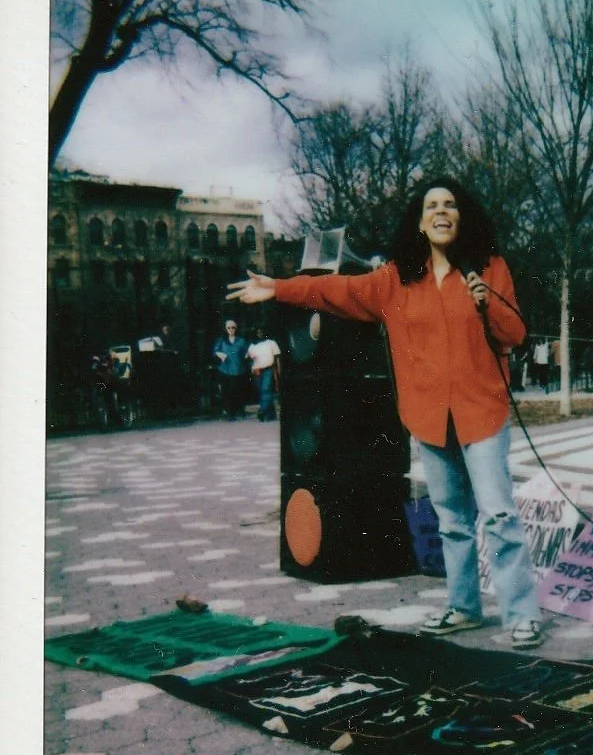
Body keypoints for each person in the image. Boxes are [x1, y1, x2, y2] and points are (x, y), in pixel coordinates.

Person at [228, 177, 544, 648]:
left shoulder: (489, 267)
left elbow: (515, 333)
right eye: (431, 205)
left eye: (450, 205)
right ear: (419, 222)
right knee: (451, 518)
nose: (441, 211)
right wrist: (279, 288)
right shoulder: (396, 279)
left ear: (462, 216)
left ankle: (521, 615)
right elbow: (338, 290)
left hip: (482, 411)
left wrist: (486, 303)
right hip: (429, 416)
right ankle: (462, 607)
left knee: (497, 514)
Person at [212, 318, 249, 420]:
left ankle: (239, 411)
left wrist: (247, 355)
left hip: (238, 369)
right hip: (225, 370)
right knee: (227, 392)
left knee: (237, 391)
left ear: (236, 328)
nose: (231, 329)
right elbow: (214, 351)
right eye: (229, 327)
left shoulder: (241, 341)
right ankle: (230, 413)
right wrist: (220, 354)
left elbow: (247, 352)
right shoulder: (221, 340)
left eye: (233, 327)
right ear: (225, 329)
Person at [246, 327, 281, 421]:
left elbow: (277, 357)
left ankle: (262, 411)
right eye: (257, 332)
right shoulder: (252, 345)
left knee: (266, 389)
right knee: (264, 391)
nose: (259, 333)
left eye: (261, 332)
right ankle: (271, 414)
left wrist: (278, 371)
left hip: (268, 369)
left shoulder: (271, 343)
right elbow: (248, 358)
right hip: (257, 370)